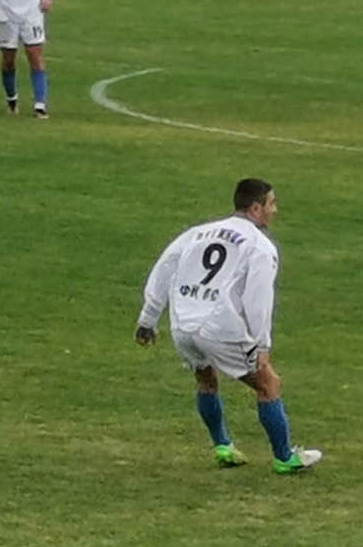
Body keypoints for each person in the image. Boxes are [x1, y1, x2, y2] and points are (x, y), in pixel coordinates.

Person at [135, 178, 322, 474]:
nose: (275, 210)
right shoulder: (260, 246)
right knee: (268, 384)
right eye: (271, 204)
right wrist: (261, 345)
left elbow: (165, 266)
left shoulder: (197, 233)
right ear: (256, 208)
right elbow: (258, 298)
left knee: (205, 379)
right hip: (219, 327)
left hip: (182, 325)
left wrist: (148, 318)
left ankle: (223, 446)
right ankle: (284, 457)